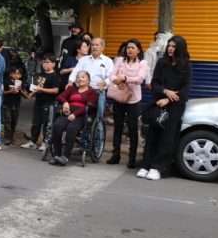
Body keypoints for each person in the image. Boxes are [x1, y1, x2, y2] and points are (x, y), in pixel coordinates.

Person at [138, 36, 192, 181]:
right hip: (159, 101)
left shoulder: (186, 65)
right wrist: (165, 92)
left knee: (167, 137)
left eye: (174, 46)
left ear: (180, 48)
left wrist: (169, 99)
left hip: (175, 105)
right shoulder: (162, 62)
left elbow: (186, 88)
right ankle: (146, 165)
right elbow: (155, 83)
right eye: (169, 45)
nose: (170, 48)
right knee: (153, 134)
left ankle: (158, 167)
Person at [107, 39, 148, 167]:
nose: (129, 50)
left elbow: (140, 79)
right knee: (118, 126)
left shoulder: (142, 63)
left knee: (132, 128)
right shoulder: (120, 60)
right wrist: (117, 80)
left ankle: (132, 158)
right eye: (128, 47)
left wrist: (125, 78)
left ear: (138, 50)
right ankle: (115, 155)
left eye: (133, 48)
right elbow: (111, 75)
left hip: (134, 100)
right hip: (119, 97)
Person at [49, 71, 98, 166]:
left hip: (81, 116)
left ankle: (65, 156)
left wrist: (75, 114)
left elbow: (89, 107)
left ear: (88, 80)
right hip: (67, 113)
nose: (80, 79)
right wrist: (65, 103)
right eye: (78, 77)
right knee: (57, 126)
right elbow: (60, 97)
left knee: (71, 129)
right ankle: (57, 155)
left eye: (83, 77)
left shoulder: (92, 92)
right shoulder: (71, 89)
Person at [21, 54, 60, 152]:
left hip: (49, 103)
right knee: (36, 123)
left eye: (48, 62)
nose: (45, 64)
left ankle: (45, 143)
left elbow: (55, 90)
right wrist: (28, 93)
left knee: (47, 124)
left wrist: (42, 89)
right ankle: (33, 142)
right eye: (44, 62)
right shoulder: (40, 75)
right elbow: (35, 87)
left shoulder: (55, 76)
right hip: (38, 101)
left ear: (54, 64)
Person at [2, 67, 23, 145]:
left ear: (20, 75)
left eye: (18, 74)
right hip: (7, 103)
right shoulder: (6, 81)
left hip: (16, 104)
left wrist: (21, 90)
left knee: (14, 121)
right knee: (7, 120)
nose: (16, 75)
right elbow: (2, 92)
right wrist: (10, 91)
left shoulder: (21, 83)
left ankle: (11, 136)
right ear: (10, 74)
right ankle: (7, 138)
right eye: (14, 73)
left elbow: (25, 94)